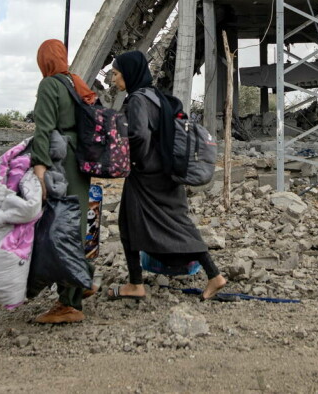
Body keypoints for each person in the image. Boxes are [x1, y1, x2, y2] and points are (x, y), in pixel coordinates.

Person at [108, 50, 226, 301]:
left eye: (116, 74)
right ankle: (214, 275)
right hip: (166, 171)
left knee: (128, 226)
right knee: (178, 223)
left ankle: (135, 284)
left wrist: (126, 158)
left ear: (129, 73)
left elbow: (139, 135)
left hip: (145, 175)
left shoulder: (138, 99)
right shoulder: (155, 96)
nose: (114, 80)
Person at [25, 39, 97, 324]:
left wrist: (39, 169)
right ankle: (84, 281)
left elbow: (43, 128)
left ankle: (70, 303)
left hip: (61, 161)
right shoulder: (76, 82)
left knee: (60, 227)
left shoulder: (50, 85)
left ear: (44, 61)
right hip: (80, 159)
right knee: (77, 221)